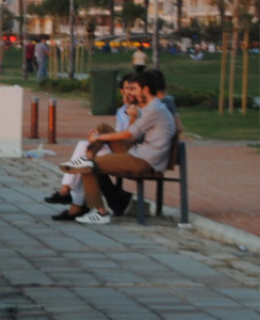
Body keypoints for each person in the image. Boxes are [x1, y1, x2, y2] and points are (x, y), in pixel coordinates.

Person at [62, 70, 177, 225]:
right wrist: (130, 118)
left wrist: (98, 138)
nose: (132, 93)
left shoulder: (155, 109)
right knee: (103, 127)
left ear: (146, 89)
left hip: (144, 160)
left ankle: (100, 212)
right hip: (139, 153)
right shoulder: (151, 107)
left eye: (135, 89)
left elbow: (128, 135)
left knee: (87, 167)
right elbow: (134, 136)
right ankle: (88, 156)